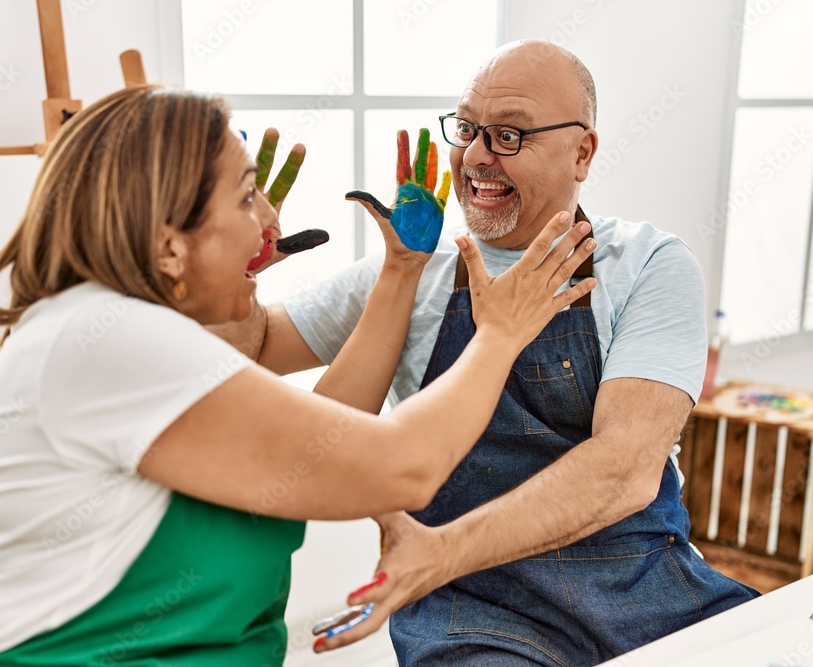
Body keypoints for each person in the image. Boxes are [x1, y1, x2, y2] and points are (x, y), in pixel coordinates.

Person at [0, 84, 595, 666]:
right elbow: (403, 465)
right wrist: (501, 331)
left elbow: (323, 445)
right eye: (246, 200)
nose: (268, 227)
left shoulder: (126, 333)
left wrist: (400, 271)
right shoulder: (112, 343)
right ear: (168, 247)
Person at [222, 41, 758, 664]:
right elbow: (251, 348)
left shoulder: (648, 265)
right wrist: (237, 262)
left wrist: (441, 550)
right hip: (469, 608)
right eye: (469, 129)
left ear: (582, 151)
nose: (476, 157)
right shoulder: (407, 268)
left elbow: (625, 469)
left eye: (509, 135)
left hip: (638, 584)